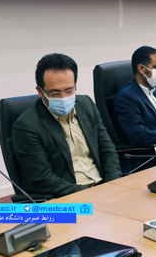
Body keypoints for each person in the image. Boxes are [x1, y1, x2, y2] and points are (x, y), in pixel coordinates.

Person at [13, 53, 121, 198]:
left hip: (103, 187)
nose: (63, 98)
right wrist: (90, 195)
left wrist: (113, 185)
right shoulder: (27, 126)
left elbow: (107, 149)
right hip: (69, 196)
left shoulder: (86, 105)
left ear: (75, 84)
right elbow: (42, 178)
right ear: (40, 91)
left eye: (69, 90)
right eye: (55, 92)